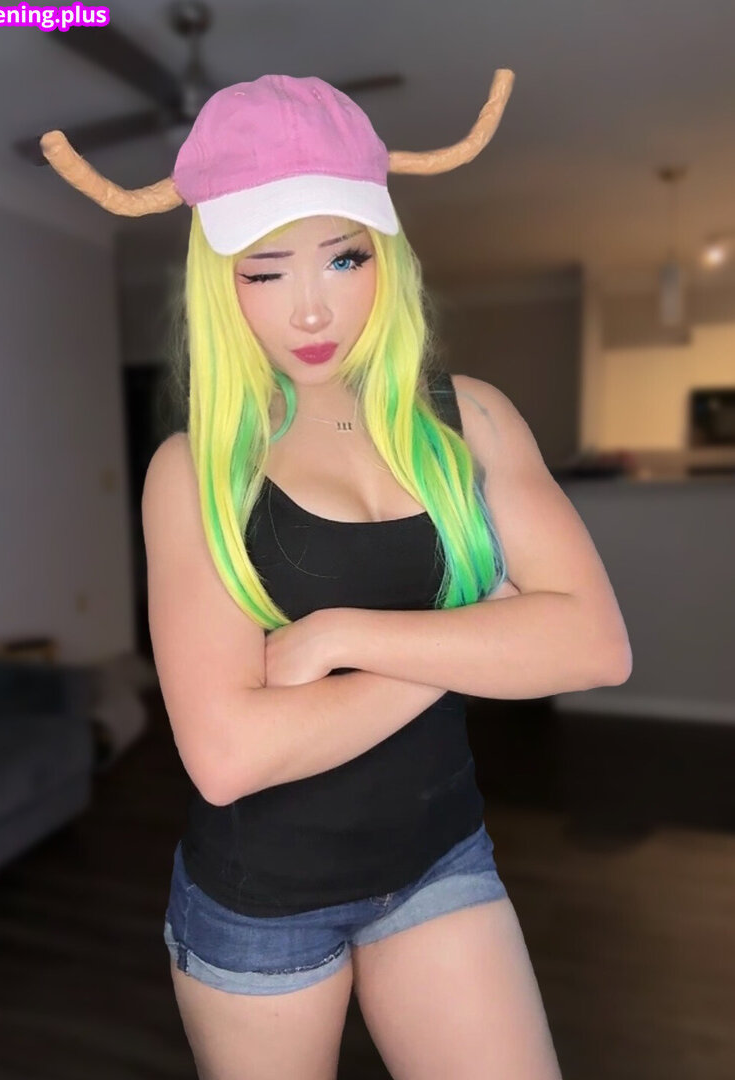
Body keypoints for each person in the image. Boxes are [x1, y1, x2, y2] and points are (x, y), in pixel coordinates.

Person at [41, 71, 630, 1080]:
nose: (310, 310)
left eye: (343, 257)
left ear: (384, 255)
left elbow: (592, 647)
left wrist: (340, 637)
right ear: (220, 283)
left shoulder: (470, 417)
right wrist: (477, 633)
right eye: (265, 272)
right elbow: (228, 755)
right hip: (261, 903)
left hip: (439, 860)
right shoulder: (195, 470)